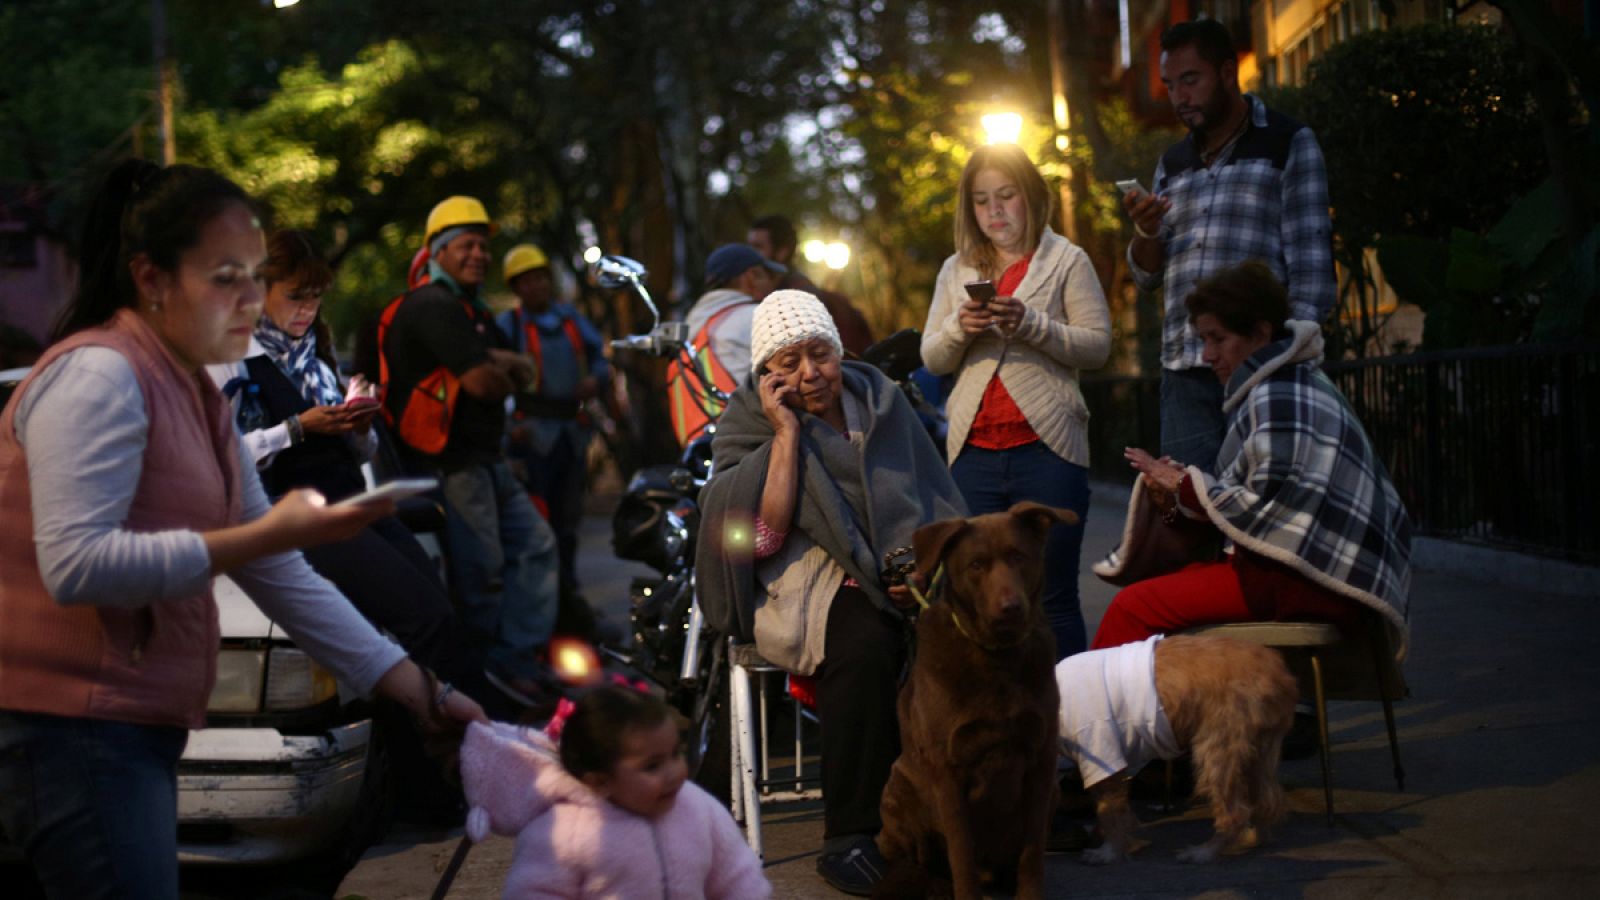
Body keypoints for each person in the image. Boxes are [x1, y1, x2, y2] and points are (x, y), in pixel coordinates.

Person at [0, 160, 484, 900]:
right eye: (229, 277)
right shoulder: (98, 376)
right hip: (75, 730)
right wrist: (258, 537)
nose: (254, 301)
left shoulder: (191, 391)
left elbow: (278, 569)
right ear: (152, 278)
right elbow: (76, 564)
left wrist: (424, 692)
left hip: (138, 725)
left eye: (256, 277)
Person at [698, 290, 966, 895]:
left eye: (820, 354)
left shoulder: (880, 401)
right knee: (864, 643)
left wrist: (920, 571)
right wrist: (785, 436)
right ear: (767, 374)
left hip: (891, 563)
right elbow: (760, 538)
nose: (810, 372)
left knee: (967, 633)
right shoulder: (749, 419)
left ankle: (958, 814)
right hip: (801, 575)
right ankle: (851, 833)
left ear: (839, 352)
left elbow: (929, 499)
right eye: (788, 362)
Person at [206, 229, 523, 717]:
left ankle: (470, 732)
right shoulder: (230, 361)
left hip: (352, 501)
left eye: (316, 296)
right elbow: (216, 459)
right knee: (422, 620)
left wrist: (358, 425)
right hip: (297, 517)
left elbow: (356, 454)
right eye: (296, 295)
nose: (307, 309)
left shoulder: (315, 357)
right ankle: (451, 739)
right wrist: (296, 428)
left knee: (439, 614)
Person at [1091, 261, 1410, 658]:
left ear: (1260, 333)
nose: (1207, 355)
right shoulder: (1286, 382)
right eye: (1204, 340)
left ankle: (1089, 699)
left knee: (1133, 607)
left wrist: (1184, 485)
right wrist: (1177, 493)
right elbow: (1263, 502)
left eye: (1218, 339)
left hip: (1308, 580)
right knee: (1161, 589)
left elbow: (1268, 506)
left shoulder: (1280, 394)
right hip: (1303, 574)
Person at [920, 142, 1112, 659]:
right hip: (973, 455)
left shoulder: (1066, 260)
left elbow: (1097, 346)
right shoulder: (956, 269)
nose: (995, 210)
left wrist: (1032, 325)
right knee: (975, 598)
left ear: (1031, 195)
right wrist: (959, 329)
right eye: (982, 200)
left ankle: (1067, 706)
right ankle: (990, 706)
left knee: (1053, 596)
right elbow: (932, 358)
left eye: (1006, 196)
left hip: (1047, 451)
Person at [1124, 18, 1336, 472]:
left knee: (1262, 501)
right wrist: (1145, 231)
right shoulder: (1172, 162)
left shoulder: (1287, 141)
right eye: (1170, 84)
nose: (1179, 97)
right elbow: (1147, 277)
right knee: (1187, 502)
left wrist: (1283, 359)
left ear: (1226, 72)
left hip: (1259, 367)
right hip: (1184, 368)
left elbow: (1312, 268)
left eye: (1190, 80)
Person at [379, 195, 561, 707]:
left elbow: (501, 371)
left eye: (483, 245)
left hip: (485, 461)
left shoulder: (471, 310)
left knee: (536, 545)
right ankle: (483, 679)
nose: (479, 254)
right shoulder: (433, 306)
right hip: (451, 465)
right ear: (438, 251)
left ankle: (513, 661)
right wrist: (505, 368)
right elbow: (484, 382)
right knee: (481, 573)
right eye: (466, 245)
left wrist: (497, 366)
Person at [460, 684, 770, 899]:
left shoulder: (697, 806)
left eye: (675, 754)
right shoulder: (565, 833)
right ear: (600, 781)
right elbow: (534, 893)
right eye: (652, 766)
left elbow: (737, 875)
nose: (674, 772)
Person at [494, 243, 610, 607]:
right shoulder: (509, 325)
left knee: (567, 521)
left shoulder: (570, 319)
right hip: (531, 435)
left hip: (570, 434)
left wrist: (596, 378)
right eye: (527, 281)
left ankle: (568, 597)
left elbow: (600, 359)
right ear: (516, 288)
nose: (537, 286)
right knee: (536, 522)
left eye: (541, 278)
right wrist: (507, 429)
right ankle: (539, 599)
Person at [668, 242, 783, 447]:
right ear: (752, 277)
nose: (773, 286)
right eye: (768, 276)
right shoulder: (758, 317)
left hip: (703, 450)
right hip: (758, 445)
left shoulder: (693, 327)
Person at [748, 214, 874, 355]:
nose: (750, 255)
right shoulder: (769, 294)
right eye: (749, 247)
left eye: (758, 247)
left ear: (782, 252)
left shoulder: (801, 299)